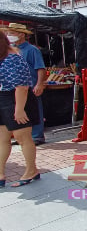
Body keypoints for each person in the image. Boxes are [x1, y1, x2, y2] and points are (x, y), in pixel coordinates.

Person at [0, 31, 40, 188]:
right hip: (3, 98)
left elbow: (22, 87)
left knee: (22, 138)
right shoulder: (4, 58)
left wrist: (19, 109)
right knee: (2, 138)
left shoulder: (13, 59)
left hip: (16, 99)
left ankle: (32, 170)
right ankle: (1, 173)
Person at [2, 23, 46, 145]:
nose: (9, 36)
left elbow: (40, 68)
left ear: (21, 34)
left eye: (12, 33)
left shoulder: (32, 50)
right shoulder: (10, 51)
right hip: (15, 89)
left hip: (30, 86)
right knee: (20, 111)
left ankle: (37, 136)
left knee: (34, 110)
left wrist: (39, 84)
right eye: (8, 33)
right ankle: (22, 137)